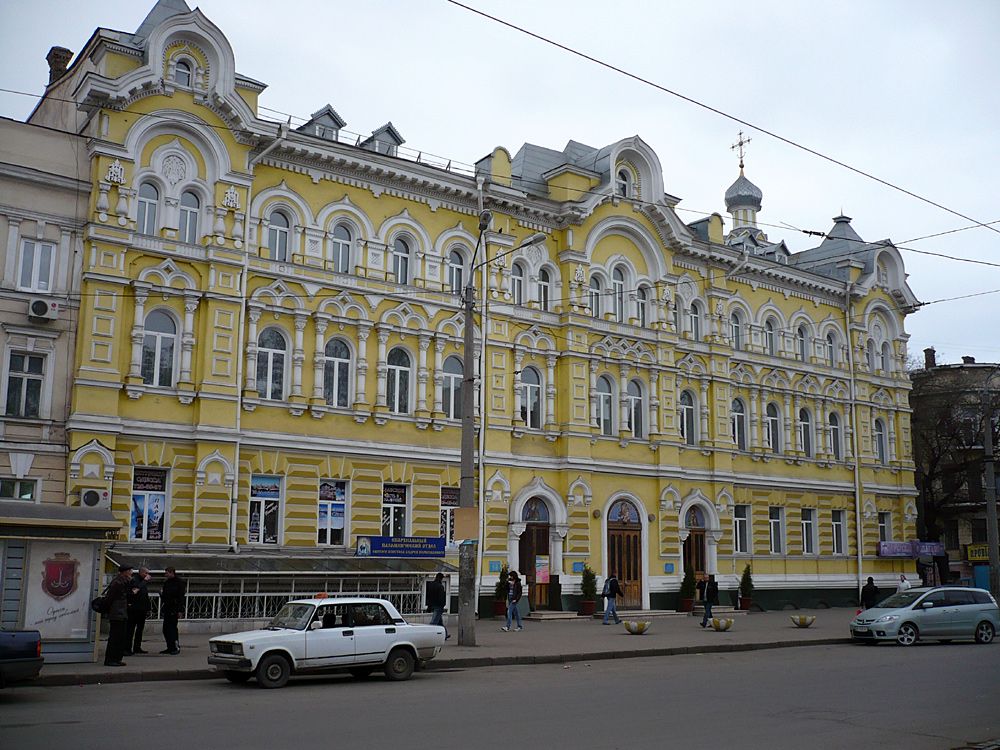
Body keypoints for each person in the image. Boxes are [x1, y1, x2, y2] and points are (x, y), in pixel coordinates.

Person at [103, 564, 132, 667]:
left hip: (122, 613)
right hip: (117, 613)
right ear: (124, 572)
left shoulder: (124, 581)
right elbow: (110, 598)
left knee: (121, 637)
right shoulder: (117, 582)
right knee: (115, 637)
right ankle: (111, 659)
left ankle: (117, 658)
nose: (131, 573)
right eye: (129, 570)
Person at [125, 567, 151, 655]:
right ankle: (127, 648)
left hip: (142, 609)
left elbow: (145, 595)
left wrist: (148, 608)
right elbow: (136, 589)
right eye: (146, 573)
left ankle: (137, 647)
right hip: (134, 609)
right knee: (130, 629)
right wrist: (145, 581)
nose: (147, 575)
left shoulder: (143, 582)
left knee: (140, 629)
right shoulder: (135, 580)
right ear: (141, 572)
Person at [160, 566, 185, 655]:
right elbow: (165, 595)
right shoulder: (167, 582)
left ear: (171, 572)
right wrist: (161, 594)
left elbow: (181, 597)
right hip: (167, 607)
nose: (165, 574)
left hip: (174, 608)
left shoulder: (179, 582)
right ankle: (169, 647)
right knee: (166, 629)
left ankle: (175, 647)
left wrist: (180, 610)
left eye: (167, 573)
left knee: (172, 629)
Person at [427, 572, 450, 640]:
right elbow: (441, 598)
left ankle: (445, 635)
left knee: (440, 622)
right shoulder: (440, 586)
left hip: (432, 605)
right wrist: (442, 605)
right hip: (438, 606)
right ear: (441, 578)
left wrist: (429, 606)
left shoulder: (431, 585)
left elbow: (429, 597)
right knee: (434, 622)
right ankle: (429, 635)